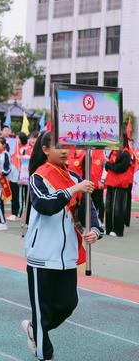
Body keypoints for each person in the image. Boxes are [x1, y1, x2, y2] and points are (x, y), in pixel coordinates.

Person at [22, 130, 102, 361]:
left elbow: (89, 212)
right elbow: (45, 205)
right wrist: (73, 190)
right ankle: (43, 353)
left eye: (67, 145)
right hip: (41, 255)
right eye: (59, 145)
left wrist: (94, 231)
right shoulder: (38, 177)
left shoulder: (75, 177)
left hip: (66, 255)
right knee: (41, 310)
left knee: (68, 303)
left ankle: (35, 329)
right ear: (45, 149)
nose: (65, 150)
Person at [104, 135, 132, 237]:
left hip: (120, 184)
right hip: (111, 182)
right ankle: (109, 229)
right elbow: (109, 165)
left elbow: (120, 168)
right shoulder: (114, 151)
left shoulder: (126, 154)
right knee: (109, 207)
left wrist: (109, 165)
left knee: (117, 208)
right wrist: (108, 165)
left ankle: (118, 230)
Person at [90, 149, 106, 225]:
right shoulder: (90, 153)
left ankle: (100, 219)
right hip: (91, 183)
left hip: (98, 184)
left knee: (99, 202)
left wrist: (102, 181)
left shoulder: (102, 156)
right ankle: (93, 220)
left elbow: (105, 169)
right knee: (91, 202)